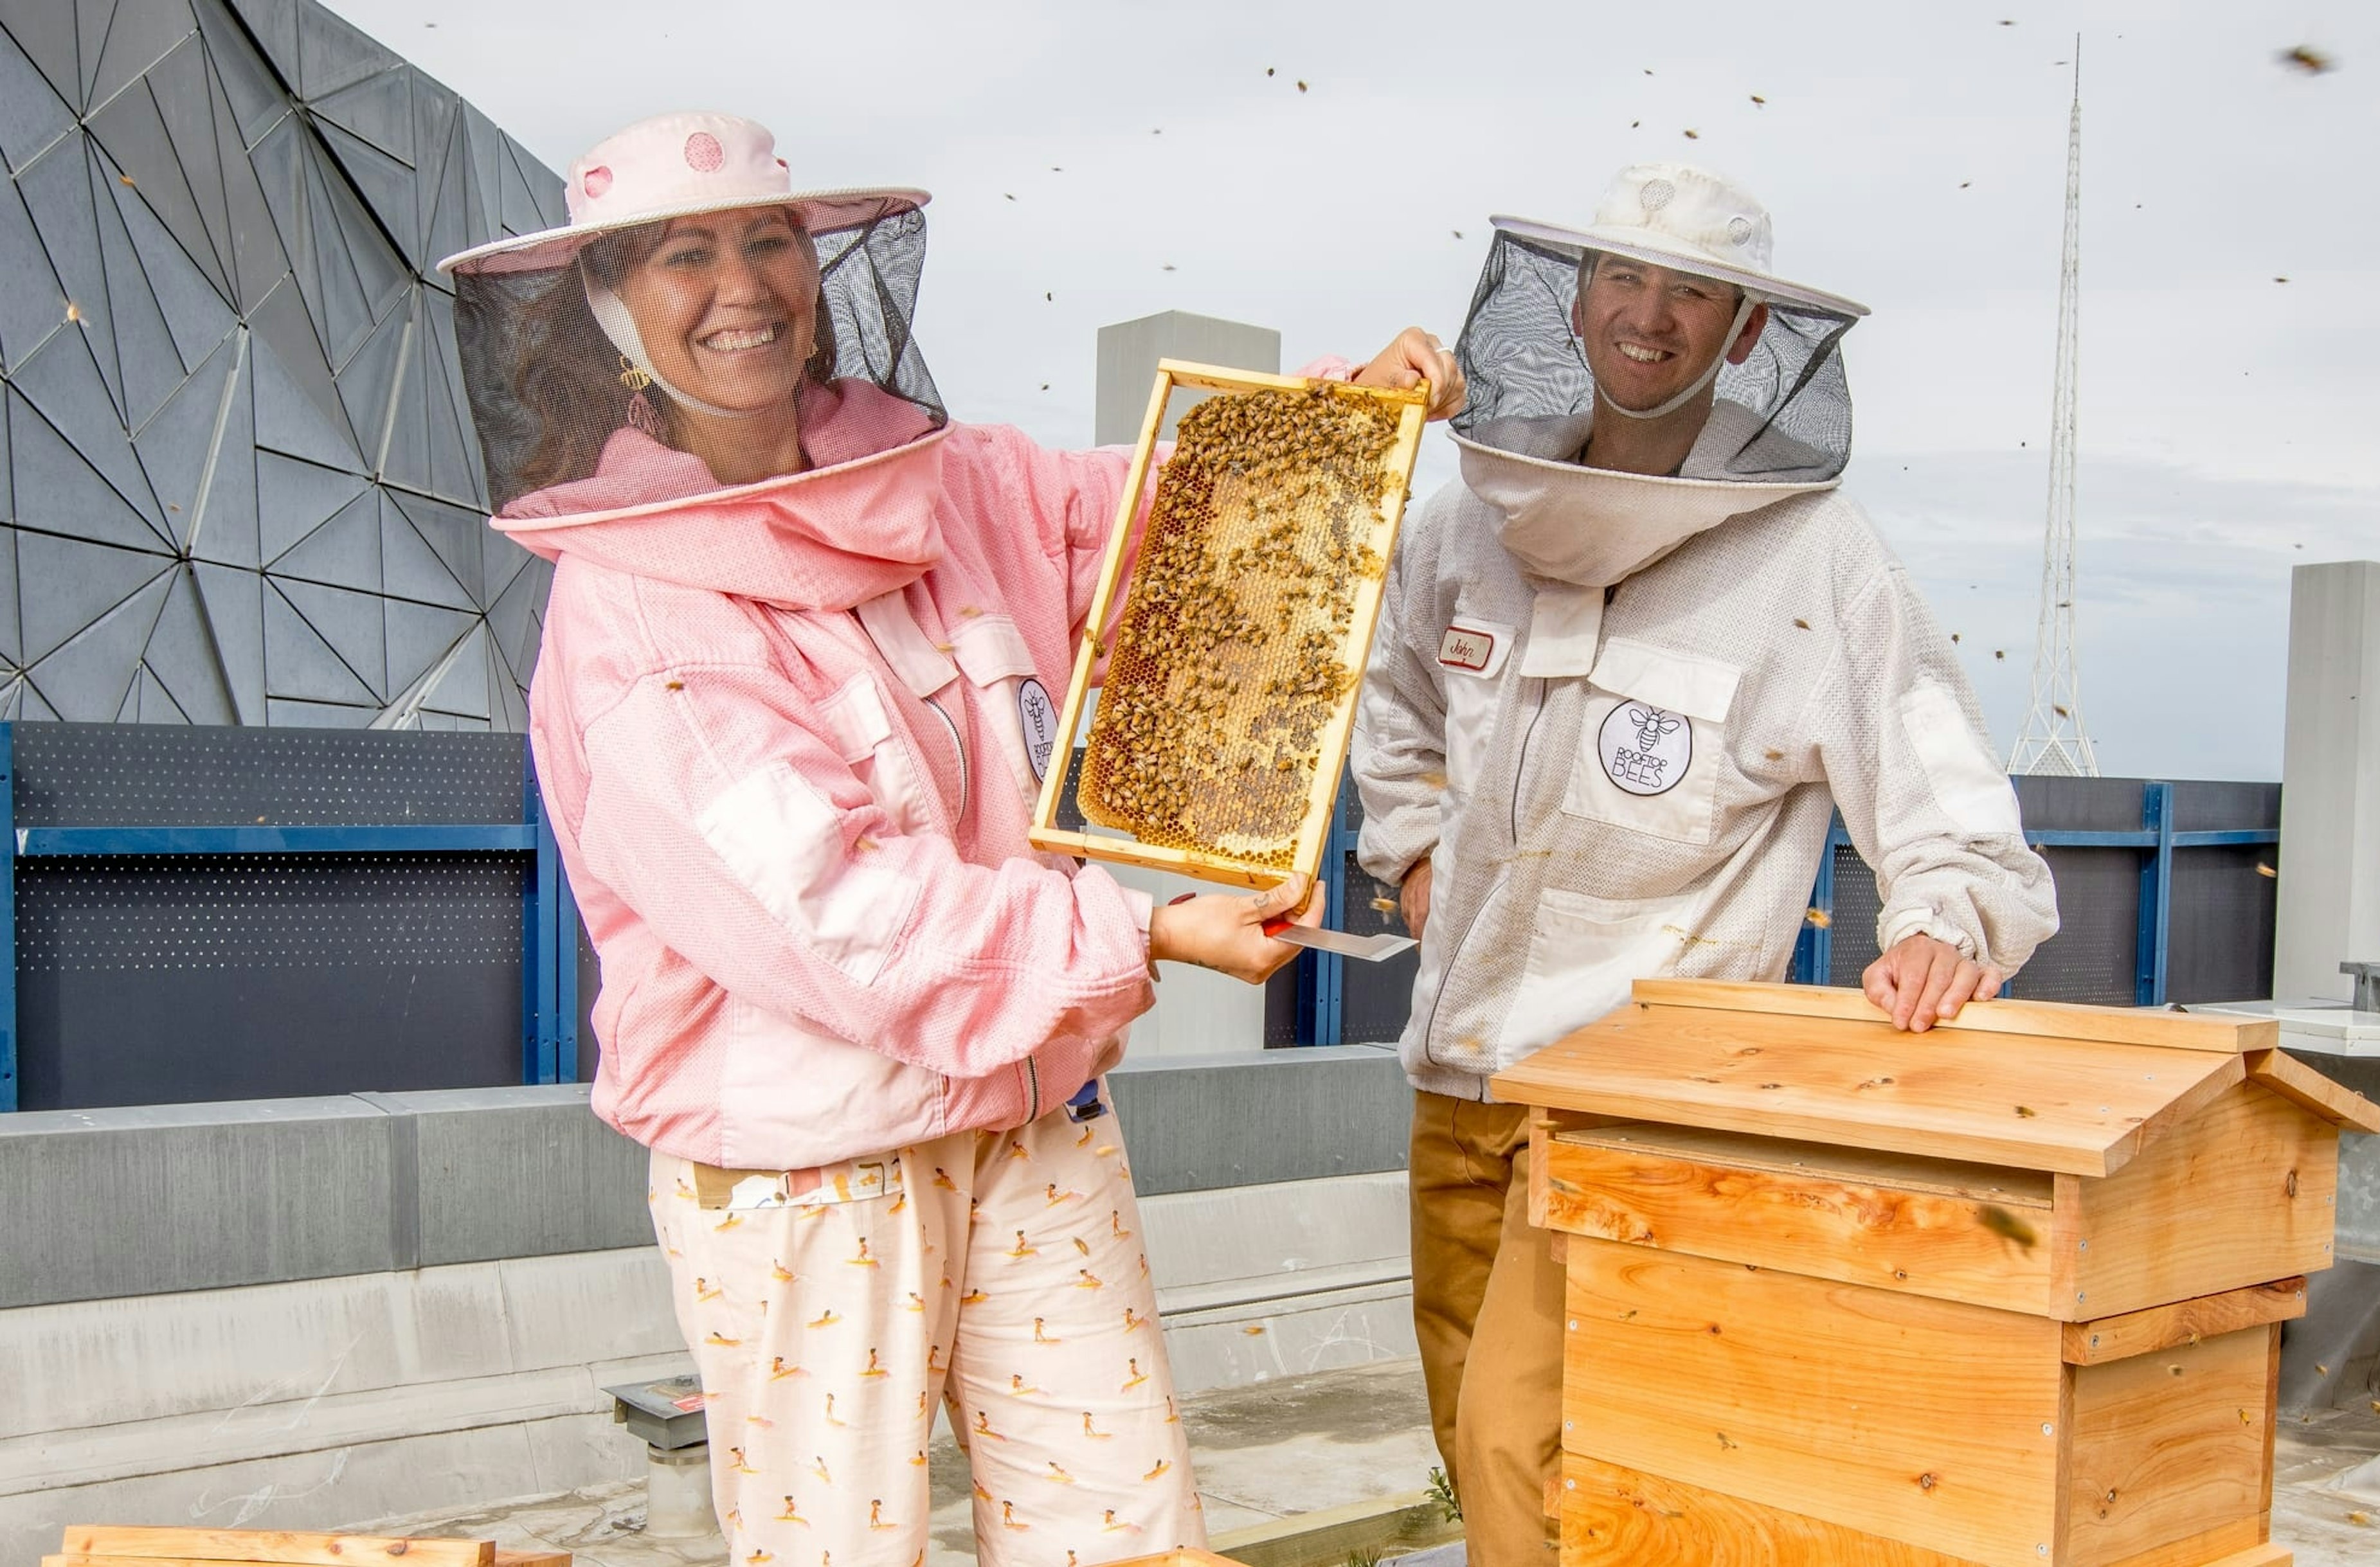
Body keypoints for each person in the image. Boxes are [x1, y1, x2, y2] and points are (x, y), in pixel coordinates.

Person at [440, 111, 1463, 1567]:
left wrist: (1329, 428)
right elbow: (837, 918)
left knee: (1126, 1533)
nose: (742, 285)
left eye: (768, 239)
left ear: (822, 262)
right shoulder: (633, 626)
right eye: (685, 254)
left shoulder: (953, 480)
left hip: (1034, 1115)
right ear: (610, 305)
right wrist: (1146, 929)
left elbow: (1158, 530)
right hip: (816, 1168)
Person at [1348, 161, 2060, 1566]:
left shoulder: (1813, 557)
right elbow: (1394, 701)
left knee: (1524, 1445)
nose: (1651, 316)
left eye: (1694, 292)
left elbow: (1939, 780)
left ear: (1747, 332)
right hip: (1457, 1079)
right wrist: (1415, 856)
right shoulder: (1464, 517)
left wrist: (1948, 915)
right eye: (1628, 278)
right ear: (1574, 294)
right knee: (1484, 1448)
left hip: (1637, 1100)